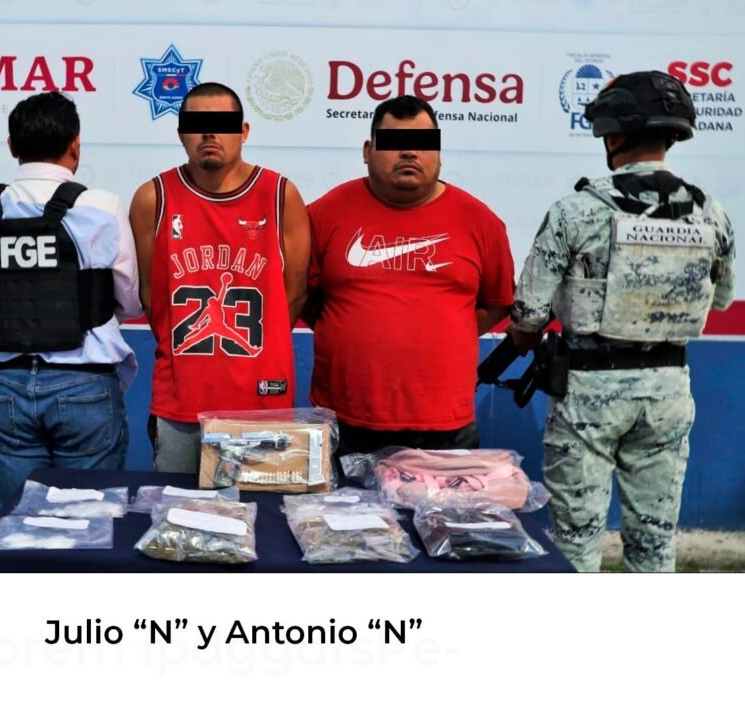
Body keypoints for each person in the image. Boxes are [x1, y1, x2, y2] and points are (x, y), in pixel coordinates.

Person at [507, 71, 736, 572]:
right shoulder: (710, 212)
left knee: (576, 544)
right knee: (655, 542)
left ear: (612, 136)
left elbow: (529, 314)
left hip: (589, 395)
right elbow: (720, 300)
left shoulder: (576, 211)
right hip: (668, 393)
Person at [0, 91, 140, 511]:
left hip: (8, 385)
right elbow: (130, 301)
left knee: (18, 524)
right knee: (89, 521)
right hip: (84, 384)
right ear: (76, 144)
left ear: (12, 146)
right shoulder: (101, 207)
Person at [307, 95, 515, 457]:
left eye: (422, 143)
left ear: (439, 153)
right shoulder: (323, 214)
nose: (409, 153)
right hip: (344, 421)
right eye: (394, 143)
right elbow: (302, 298)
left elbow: (497, 303)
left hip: (446, 428)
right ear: (368, 150)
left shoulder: (481, 222)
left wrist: (443, 336)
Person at [129, 82, 310, 473]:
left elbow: (295, 294)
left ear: (243, 131)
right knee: (177, 507)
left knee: (260, 509)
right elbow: (151, 296)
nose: (210, 133)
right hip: (179, 402)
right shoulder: (153, 198)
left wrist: (261, 353)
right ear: (181, 133)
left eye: (222, 123)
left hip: (261, 403)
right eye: (197, 124)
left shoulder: (280, 196)